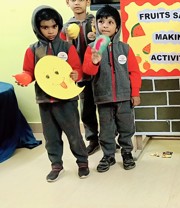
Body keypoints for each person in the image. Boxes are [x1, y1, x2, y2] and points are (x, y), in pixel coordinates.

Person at [14, 5, 89, 182]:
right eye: (45, 27)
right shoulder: (32, 50)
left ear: (58, 25)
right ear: (37, 28)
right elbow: (29, 72)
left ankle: (82, 162)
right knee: (51, 136)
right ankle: (56, 165)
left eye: (54, 26)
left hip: (67, 100)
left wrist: (75, 74)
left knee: (74, 134)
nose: (50, 31)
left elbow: (77, 69)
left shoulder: (66, 47)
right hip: (45, 101)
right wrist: (24, 77)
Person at [83, 5, 142, 172]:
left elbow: (134, 72)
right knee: (106, 130)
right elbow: (87, 72)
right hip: (103, 97)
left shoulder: (125, 48)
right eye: (101, 22)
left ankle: (127, 153)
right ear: (96, 25)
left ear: (117, 26)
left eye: (110, 22)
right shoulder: (91, 48)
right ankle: (108, 155)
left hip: (124, 97)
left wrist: (135, 93)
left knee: (126, 127)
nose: (105, 25)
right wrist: (94, 61)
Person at [60, 0, 100, 155]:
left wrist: (96, 36)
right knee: (87, 108)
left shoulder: (96, 21)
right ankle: (93, 139)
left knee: (105, 106)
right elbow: (63, 51)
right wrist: (69, 40)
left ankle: (108, 138)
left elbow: (106, 41)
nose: (77, 3)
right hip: (80, 74)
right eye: (73, 0)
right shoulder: (65, 27)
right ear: (67, 3)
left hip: (98, 71)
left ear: (88, 2)